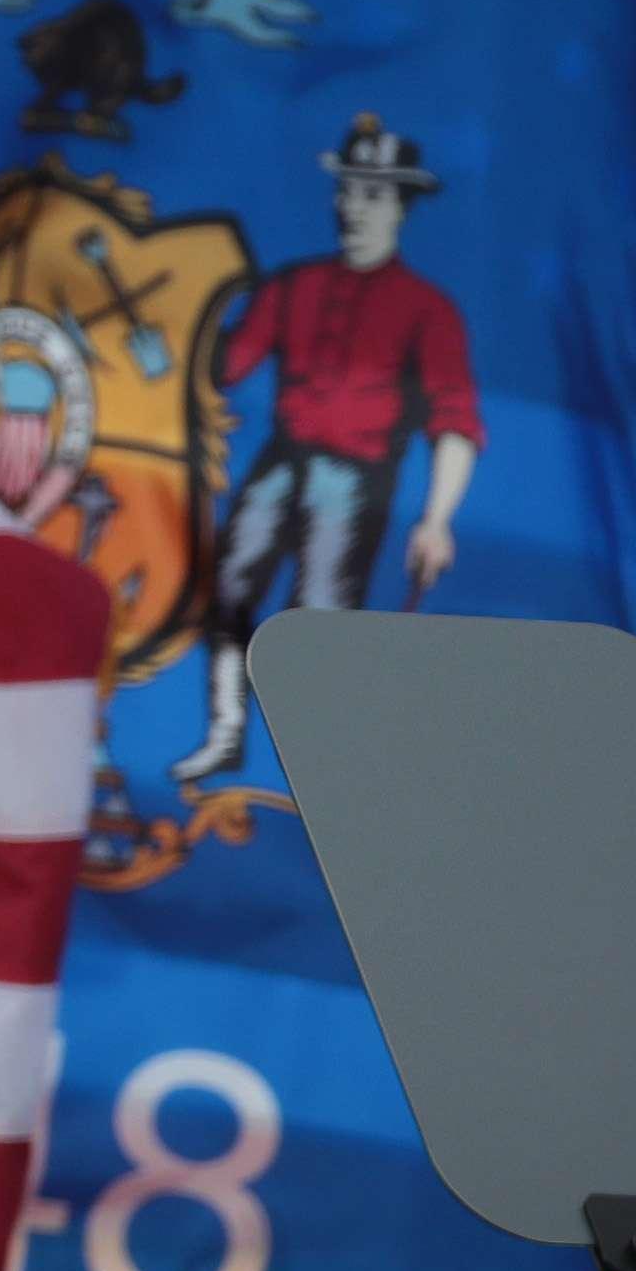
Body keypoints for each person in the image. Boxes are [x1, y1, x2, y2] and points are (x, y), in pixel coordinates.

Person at [178, 116, 479, 788]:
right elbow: (226, 367)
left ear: (401, 208)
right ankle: (226, 733)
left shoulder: (429, 311)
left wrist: (437, 519)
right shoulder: (292, 285)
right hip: (279, 464)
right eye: (348, 191)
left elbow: (454, 422)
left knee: (317, 623)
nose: (352, 208)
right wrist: (177, 340)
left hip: (354, 480)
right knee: (227, 588)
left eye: (372, 195)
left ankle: (315, 763)